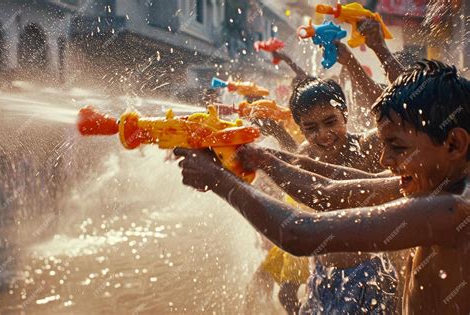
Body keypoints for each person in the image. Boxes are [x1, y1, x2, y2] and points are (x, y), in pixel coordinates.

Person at [175, 59, 470, 314]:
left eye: (396, 147)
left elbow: (299, 233)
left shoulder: (450, 210)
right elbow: (331, 190)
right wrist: (264, 158)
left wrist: (218, 180)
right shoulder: (434, 186)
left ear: (454, 143)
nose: (384, 159)